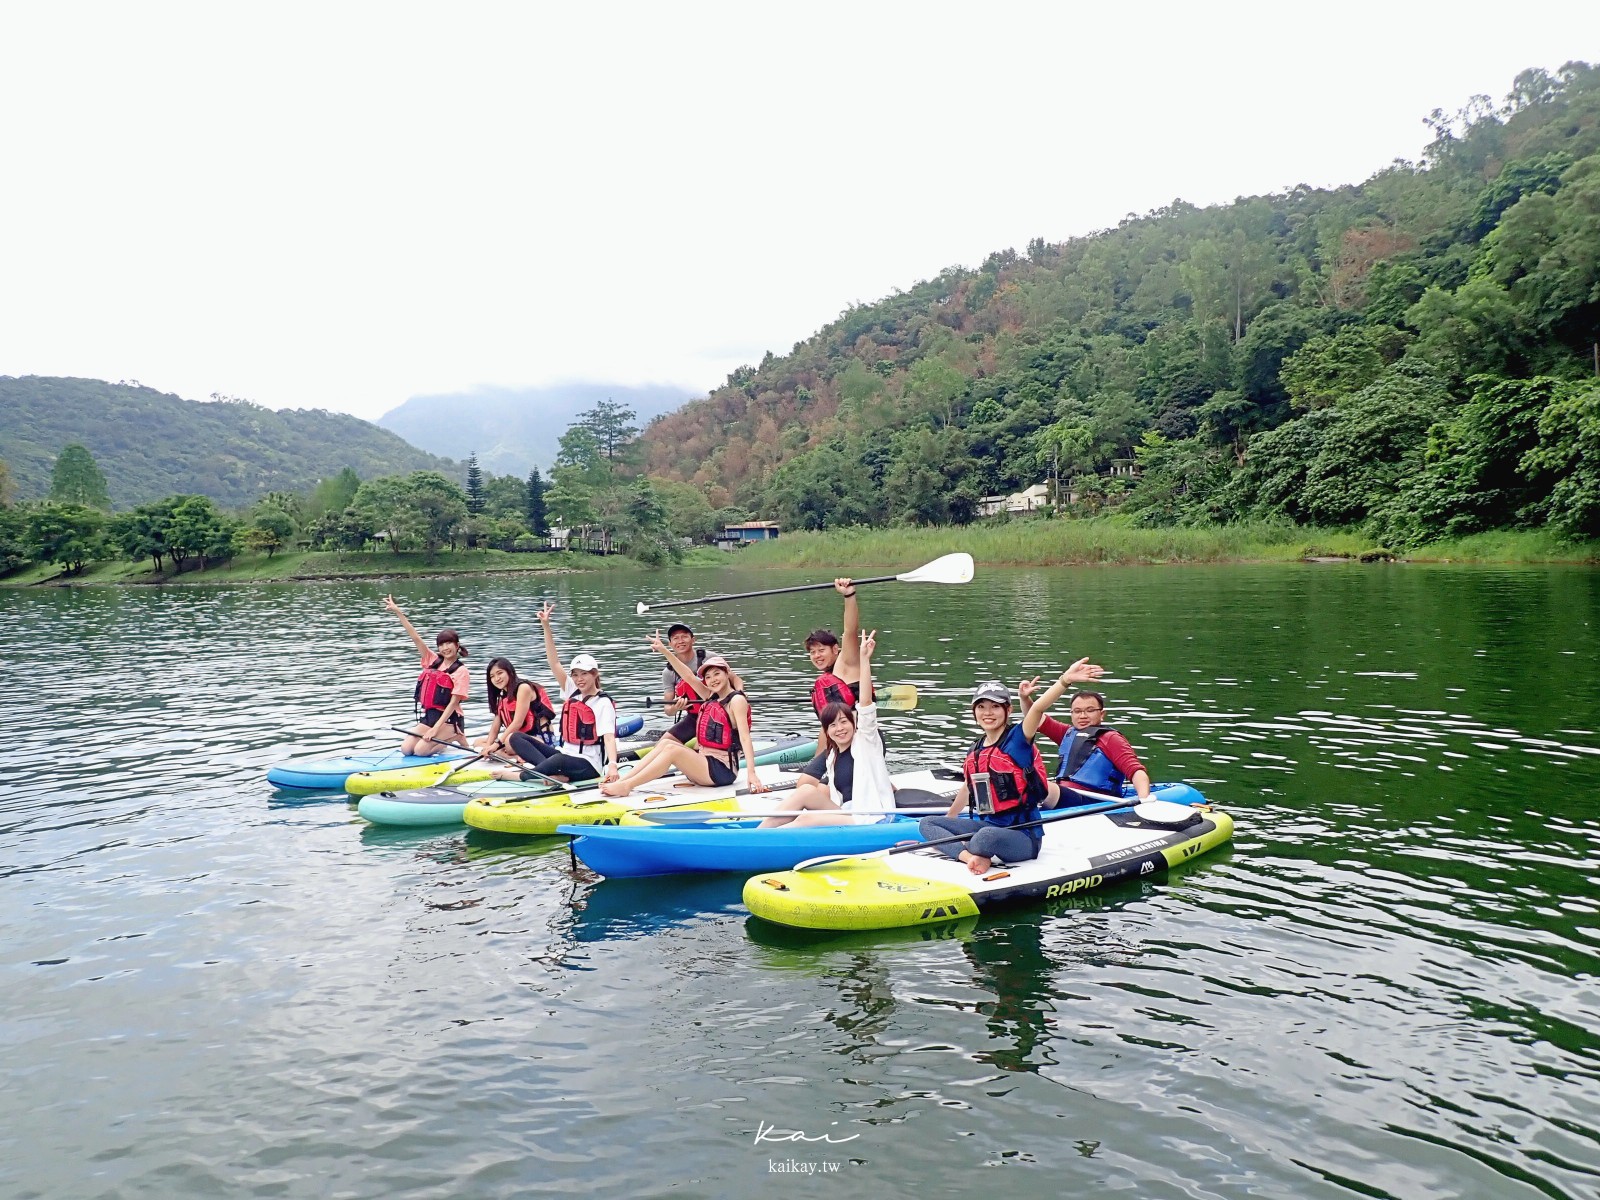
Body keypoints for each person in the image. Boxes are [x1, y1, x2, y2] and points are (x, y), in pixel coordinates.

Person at [919, 658, 1102, 875]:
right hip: (988, 826)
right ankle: (970, 857)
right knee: (927, 824)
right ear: (974, 712)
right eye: (982, 707)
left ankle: (971, 851)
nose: (988, 712)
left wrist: (1064, 680)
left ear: (1008, 710)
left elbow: (1038, 709)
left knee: (984, 837)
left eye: (995, 706)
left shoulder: (1018, 739)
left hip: (1022, 835)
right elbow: (968, 788)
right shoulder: (975, 749)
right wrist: (947, 828)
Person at [599, 634, 767, 797]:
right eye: (708, 677)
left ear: (726, 674)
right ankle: (623, 780)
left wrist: (751, 774)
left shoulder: (736, 700)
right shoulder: (710, 696)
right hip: (704, 764)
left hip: (722, 771)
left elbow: (745, 739)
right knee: (665, 743)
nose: (713, 679)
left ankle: (627, 786)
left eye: (717, 674)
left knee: (672, 749)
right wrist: (664, 650)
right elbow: (687, 674)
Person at [760, 629, 892, 827]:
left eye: (843, 722)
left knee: (806, 818)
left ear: (854, 723)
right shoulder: (833, 755)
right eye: (832, 725)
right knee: (805, 791)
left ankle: (760, 844)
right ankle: (758, 833)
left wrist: (864, 660)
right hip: (847, 813)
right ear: (827, 730)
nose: (839, 729)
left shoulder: (865, 742)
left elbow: (865, 704)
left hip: (871, 816)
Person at [494, 601, 620, 785]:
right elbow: (554, 663)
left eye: (584, 674)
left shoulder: (603, 703)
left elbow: (609, 737)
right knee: (516, 738)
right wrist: (546, 626)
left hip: (588, 765)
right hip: (564, 754)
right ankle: (552, 775)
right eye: (575, 675)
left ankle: (522, 776)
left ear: (595, 674)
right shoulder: (572, 691)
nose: (579, 679)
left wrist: (613, 765)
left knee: (557, 761)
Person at [1020, 674, 1151, 807]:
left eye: (1090, 710)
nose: (1082, 716)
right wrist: (1024, 698)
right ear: (1072, 714)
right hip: (1065, 796)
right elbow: (1034, 718)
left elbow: (1136, 771)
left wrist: (1144, 801)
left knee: (1036, 782)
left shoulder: (1111, 739)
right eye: (1077, 711)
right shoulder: (1067, 733)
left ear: (1102, 714)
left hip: (1094, 800)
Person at [384, 594, 470, 755]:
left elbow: (453, 704)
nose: (445, 648)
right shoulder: (432, 660)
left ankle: (456, 735)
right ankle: (441, 740)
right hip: (430, 717)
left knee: (421, 750)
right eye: (442, 645)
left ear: (457, 645)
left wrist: (436, 730)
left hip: (450, 720)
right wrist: (398, 612)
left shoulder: (461, 671)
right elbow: (415, 638)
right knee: (407, 749)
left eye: (449, 643)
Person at [804, 577, 868, 752]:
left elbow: (850, 631)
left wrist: (849, 595)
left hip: (860, 745)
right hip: (838, 743)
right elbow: (825, 730)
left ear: (835, 649)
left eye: (821, 650)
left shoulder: (846, 663)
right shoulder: (829, 677)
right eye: (812, 652)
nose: (816, 655)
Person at [657, 622, 743, 749]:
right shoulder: (668, 672)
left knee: (700, 748)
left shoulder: (710, 658)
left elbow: (735, 679)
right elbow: (668, 710)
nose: (680, 641)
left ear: (693, 640)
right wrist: (676, 708)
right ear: (670, 644)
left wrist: (739, 695)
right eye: (675, 638)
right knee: (662, 745)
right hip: (695, 716)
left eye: (684, 636)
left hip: (720, 712)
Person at [477, 656, 556, 764]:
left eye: (500, 673)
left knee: (510, 740)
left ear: (509, 671)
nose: (496, 678)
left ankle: (510, 757)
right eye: (492, 676)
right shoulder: (502, 695)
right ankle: (515, 757)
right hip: (519, 740)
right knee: (478, 743)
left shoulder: (523, 688)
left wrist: (496, 745)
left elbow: (517, 723)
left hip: (540, 740)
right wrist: (487, 747)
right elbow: (495, 726)